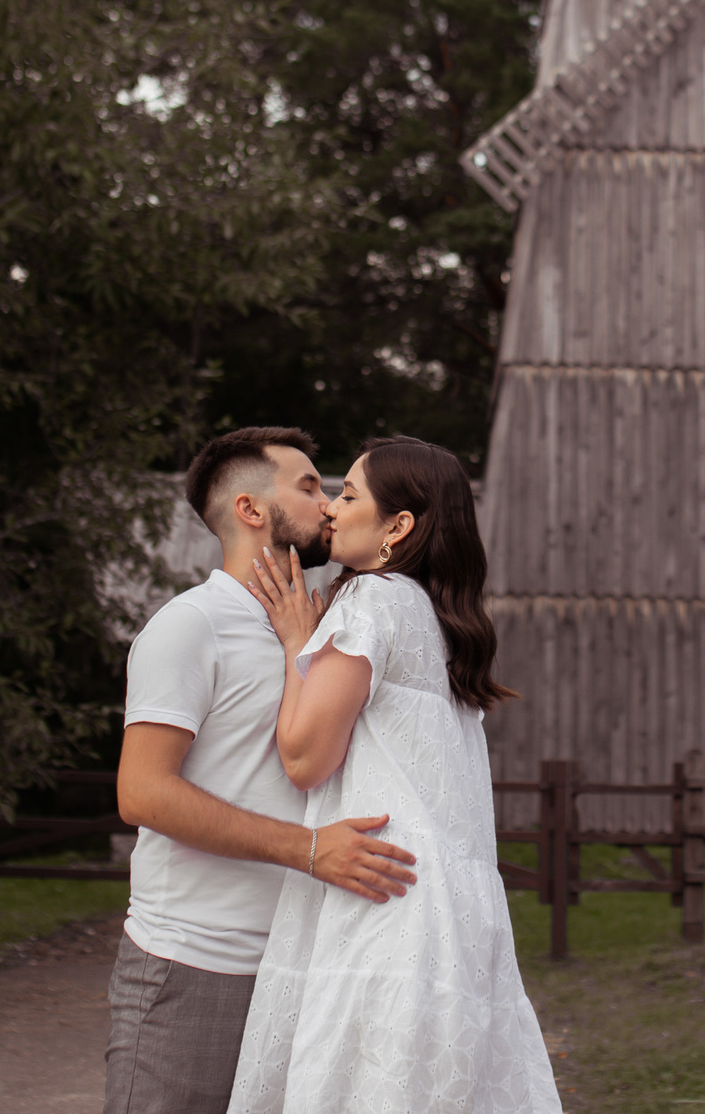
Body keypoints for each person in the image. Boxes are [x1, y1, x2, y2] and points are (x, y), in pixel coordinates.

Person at [231, 437, 564, 1114]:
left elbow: (304, 759)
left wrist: (299, 641)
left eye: (348, 494)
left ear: (398, 526)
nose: (331, 509)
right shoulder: (441, 623)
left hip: (384, 901)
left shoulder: (373, 602)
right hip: (458, 915)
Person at [108, 427, 420, 1114]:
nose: (331, 502)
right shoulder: (190, 625)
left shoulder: (328, 627)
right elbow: (141, 790)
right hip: (196, 963)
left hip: (305, 966)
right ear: (251, 510)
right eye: (310, 486)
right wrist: (310, 850)